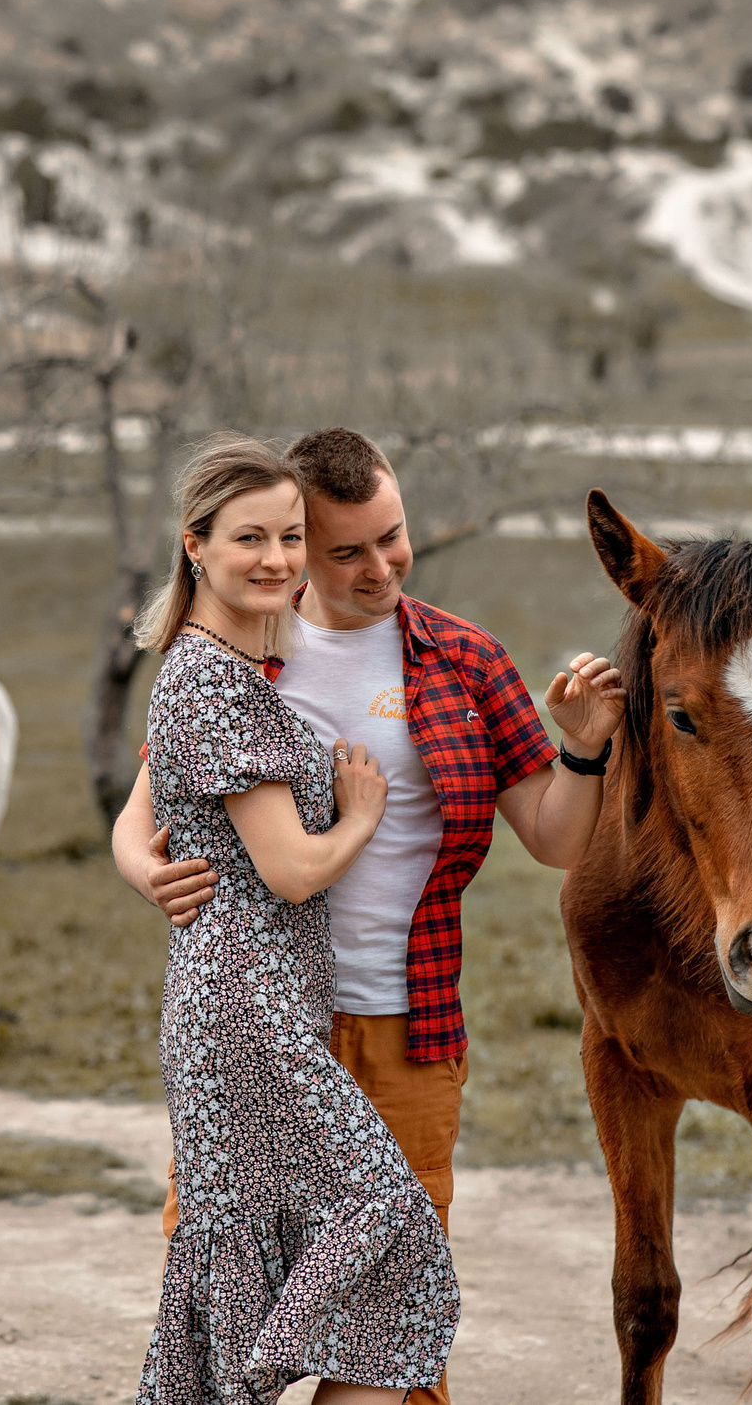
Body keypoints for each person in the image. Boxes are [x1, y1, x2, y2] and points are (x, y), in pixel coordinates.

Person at [115, 426, 625, 1405]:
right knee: (236, 1284)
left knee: (394, 1297)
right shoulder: (241, 655)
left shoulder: (466, 661)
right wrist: (146, 870)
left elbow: (555, 838)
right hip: (264, 1032)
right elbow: (146, 811)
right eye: (345, 549)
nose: (379, 566)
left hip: (406, 1027)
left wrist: (585, 752)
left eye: (392, 537)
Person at [131, 432, 455, 1405]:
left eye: (287, 537)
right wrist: (359, 817)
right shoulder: (212, 680)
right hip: (245, 1017)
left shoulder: (224, 666)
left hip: (256, 1012)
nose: (274, 559)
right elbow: (290, 872)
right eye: (248, 540)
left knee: (249, 1257)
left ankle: (230, 1379)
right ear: (195, 545)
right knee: (390, 1231)